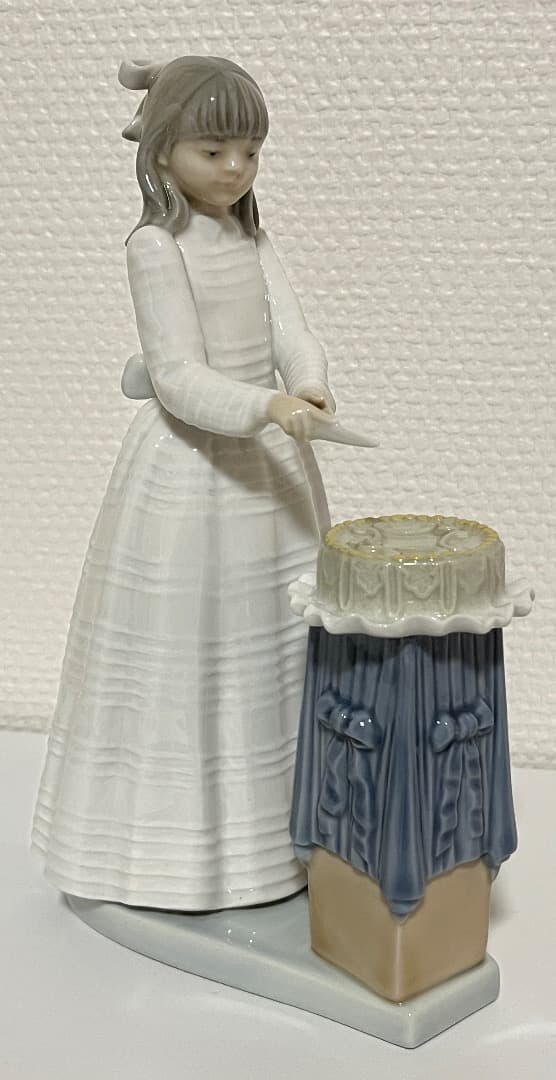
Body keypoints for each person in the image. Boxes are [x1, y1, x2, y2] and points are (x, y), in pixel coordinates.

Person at [32, 55, 334, 911]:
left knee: (274, 650)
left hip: (270, 467)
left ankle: (281, 840)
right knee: (189, 651)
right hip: (194, 471)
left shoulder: (251, 239)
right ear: (163, 151)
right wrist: (264, 405)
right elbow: (176, 377)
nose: (235, 169)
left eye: (250, 152)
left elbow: (291, 328)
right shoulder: (155, 248)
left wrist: (308, 383)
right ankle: (173, 855)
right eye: (213, 151)